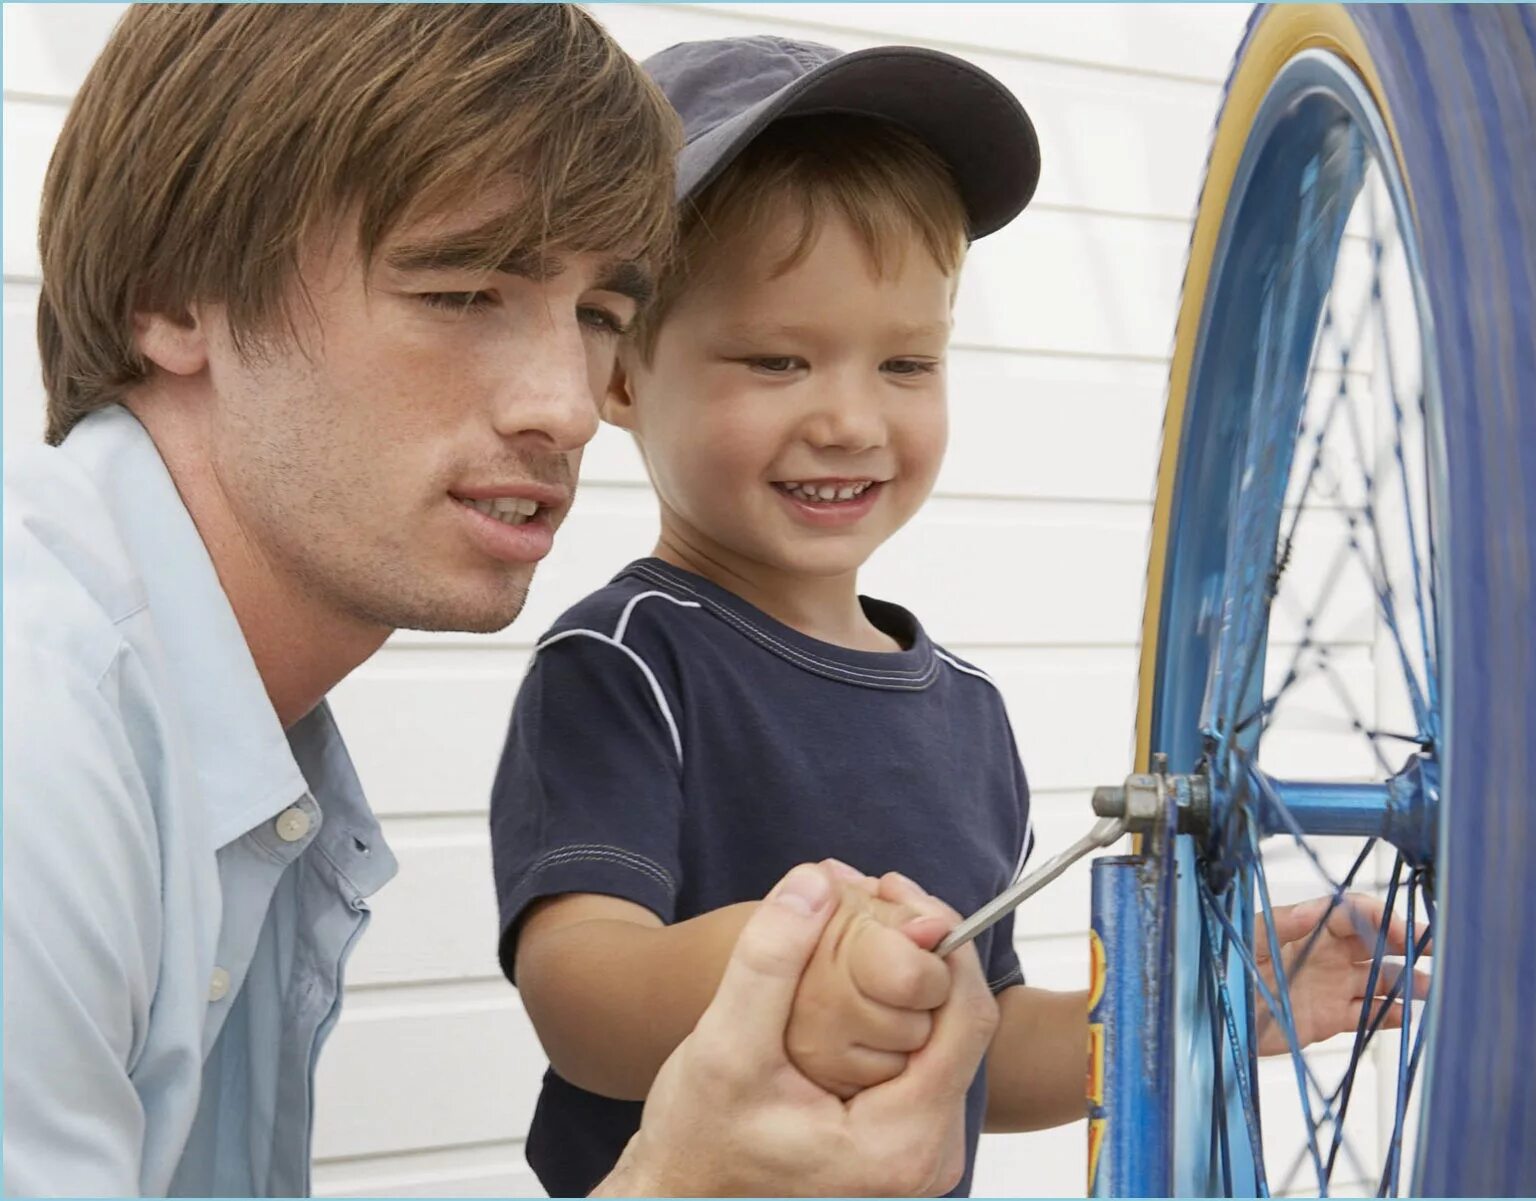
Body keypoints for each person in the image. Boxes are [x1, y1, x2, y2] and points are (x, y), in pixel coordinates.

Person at [2, 8, 995, 1196]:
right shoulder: (38, 733)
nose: (567, 407)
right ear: (174, 298)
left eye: (599, 316)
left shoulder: (238, 736)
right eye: (465, 293)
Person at [489, 34, 1426, 1198]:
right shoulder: (625, 662)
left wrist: (1215, 1005)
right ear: (621, 379)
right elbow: (580, 993)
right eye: (778, 361)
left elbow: (990, 1036)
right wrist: (792, 966)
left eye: (904, 364)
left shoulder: (964, 709)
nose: (848, 420)